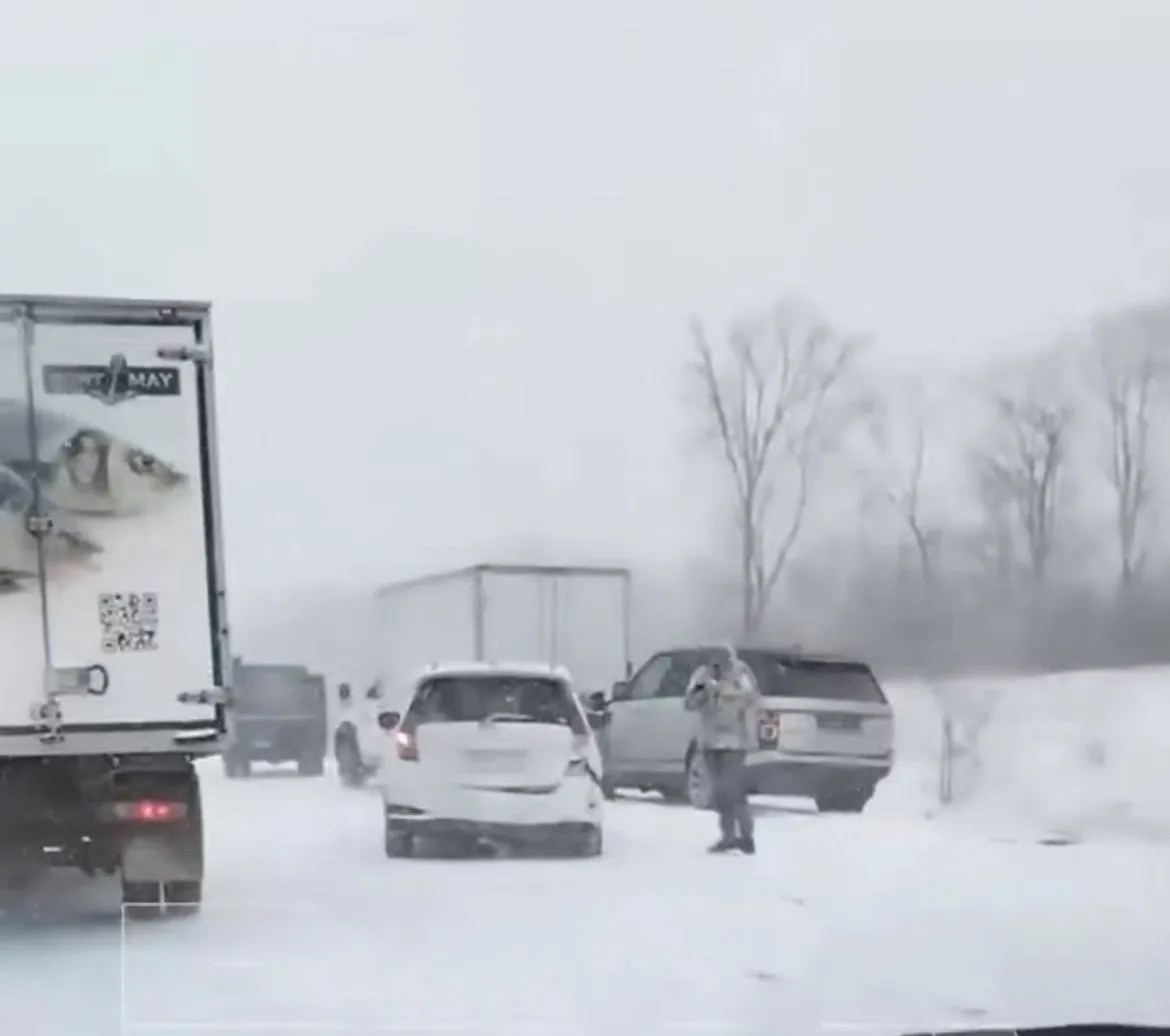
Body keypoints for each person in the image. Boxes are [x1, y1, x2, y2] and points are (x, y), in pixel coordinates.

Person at [684, 644, 761, 854]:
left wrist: (724, 692)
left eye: (721, 662)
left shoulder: (740, 674)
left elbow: (751, 699)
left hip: (734, 742)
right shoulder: (702, 676)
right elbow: (689, 702)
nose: (716, 666)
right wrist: (702, 692)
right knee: (719, 791)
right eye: (712, 662)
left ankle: (746, 835)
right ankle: (728, 835)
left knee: (733, 789)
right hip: (711, 742)